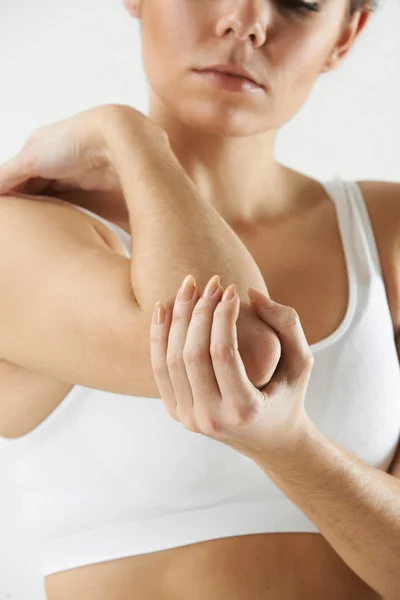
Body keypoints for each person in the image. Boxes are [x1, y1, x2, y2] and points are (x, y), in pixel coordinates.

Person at [0, 0, 399, 599]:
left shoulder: (386, 233)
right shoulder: (23, 232)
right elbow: (235, 348)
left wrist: (292, 448)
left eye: (300, 1)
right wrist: (130, 136)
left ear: (347, 35)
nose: (247, 21)